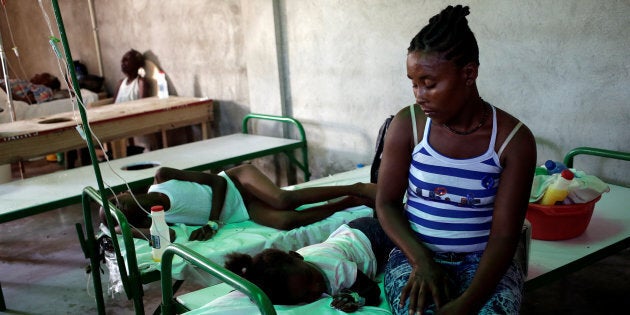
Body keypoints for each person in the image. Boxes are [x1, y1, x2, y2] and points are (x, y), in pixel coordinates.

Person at [375, 5, 536, 315]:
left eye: (430, 83)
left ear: (469, 74)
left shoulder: (513, 141)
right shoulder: (407, 125)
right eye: (413, 83)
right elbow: (386, 203)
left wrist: (464, 306)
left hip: (486, 262)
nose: (420, 95)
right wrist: (421, 261)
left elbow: (505, 236)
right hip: (414, 256)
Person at [102, 164, 376, 242]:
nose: (123, 205)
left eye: (118, 201)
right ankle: (347, 201)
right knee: (286, 222)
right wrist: (117, 230)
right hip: (239, 210)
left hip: (238, 180)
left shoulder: (163, 177)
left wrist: (212, 221)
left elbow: (217, 182)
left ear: (123, 192)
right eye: (123, 214)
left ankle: (357, 186)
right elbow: (168, 237)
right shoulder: (161, 220)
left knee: (283, 199)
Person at [223, 217, 392, 312]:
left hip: (373, 236)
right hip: (352, 234)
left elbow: (372, 290)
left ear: (297, 256)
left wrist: (355, 298)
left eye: (310, 278)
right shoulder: (293, 274)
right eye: (305, 295)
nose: (316, 288)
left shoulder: (335, 268)